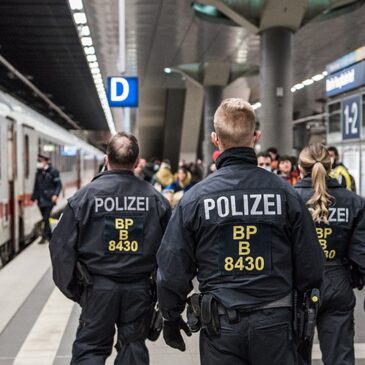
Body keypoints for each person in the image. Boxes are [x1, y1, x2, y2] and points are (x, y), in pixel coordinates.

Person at [157, 98, 325, 365]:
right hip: (277, 324)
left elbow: (173, 267)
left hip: (220, 327)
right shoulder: (285, 194)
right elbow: (312, 266)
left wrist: (170, 315)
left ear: (215, 139)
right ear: (255, 136)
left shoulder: (195, 199)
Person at [49, 132, 171, 365]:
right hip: (139, 290)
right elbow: (173, 252)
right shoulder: (157, 201)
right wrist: (160, 293)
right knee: (133, 346)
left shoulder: (83, 199)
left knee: (91, 350)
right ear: (137, 163)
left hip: (97, 288)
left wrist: (78, 291)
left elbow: (60, 248)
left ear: (106, 159)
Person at [294, 143, 365, 365]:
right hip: (338, 283)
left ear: (299, 166)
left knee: (295, 357)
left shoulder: (289, 199)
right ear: (330, 165)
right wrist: (351, 278)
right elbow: (361, 254)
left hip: (297, 286)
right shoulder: (354, 202)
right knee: (340, 359)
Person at [31, 154, 62, 244]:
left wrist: (55, 195)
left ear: (46, 161)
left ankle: (45, 236)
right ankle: (49, 235)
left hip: (49, 199)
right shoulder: (38, 173)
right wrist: (34, 198)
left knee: (46, 217)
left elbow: (59, 184)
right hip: (40, 200)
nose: (39, 163)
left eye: (41, 161)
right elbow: (36, 186)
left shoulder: (53, 171)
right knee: (45, 218)